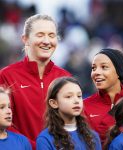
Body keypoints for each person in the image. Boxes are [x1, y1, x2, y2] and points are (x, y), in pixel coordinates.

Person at [0, 14, 71, 149]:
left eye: (51, 35)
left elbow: (72, 123)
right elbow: (4, 124)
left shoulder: (65, 78)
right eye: (40, 35)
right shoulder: (7, 76)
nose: (46, 41)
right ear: (25, 39)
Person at [83, 48, 123, 146]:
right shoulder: (83, 106)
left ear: (119, 72)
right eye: (93, 68)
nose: (96, 72)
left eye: (104, 67)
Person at [36, 77, 102, 150]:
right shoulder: (45, 139)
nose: (76, 101)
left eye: (79, 96)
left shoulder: (92, 137)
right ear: (54, 103)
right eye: (69, 97)